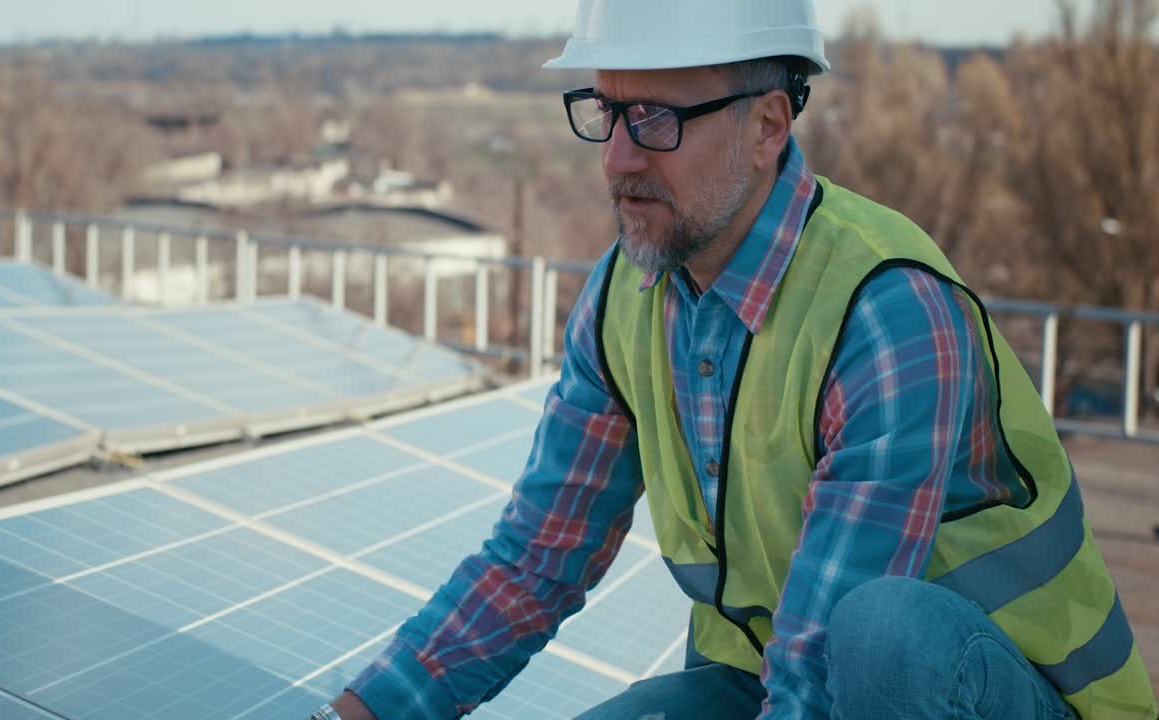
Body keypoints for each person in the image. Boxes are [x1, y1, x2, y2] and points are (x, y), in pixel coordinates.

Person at [312, 1, 1157, 718]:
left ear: (767, 127)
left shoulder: (884, 312)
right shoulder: (624, 298)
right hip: (771, 677)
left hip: (993, 691)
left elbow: (821, 670)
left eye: (656, 118)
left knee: (881, 631)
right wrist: (357, 713)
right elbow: (534, 561)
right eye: (606, 111)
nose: (617, 158)